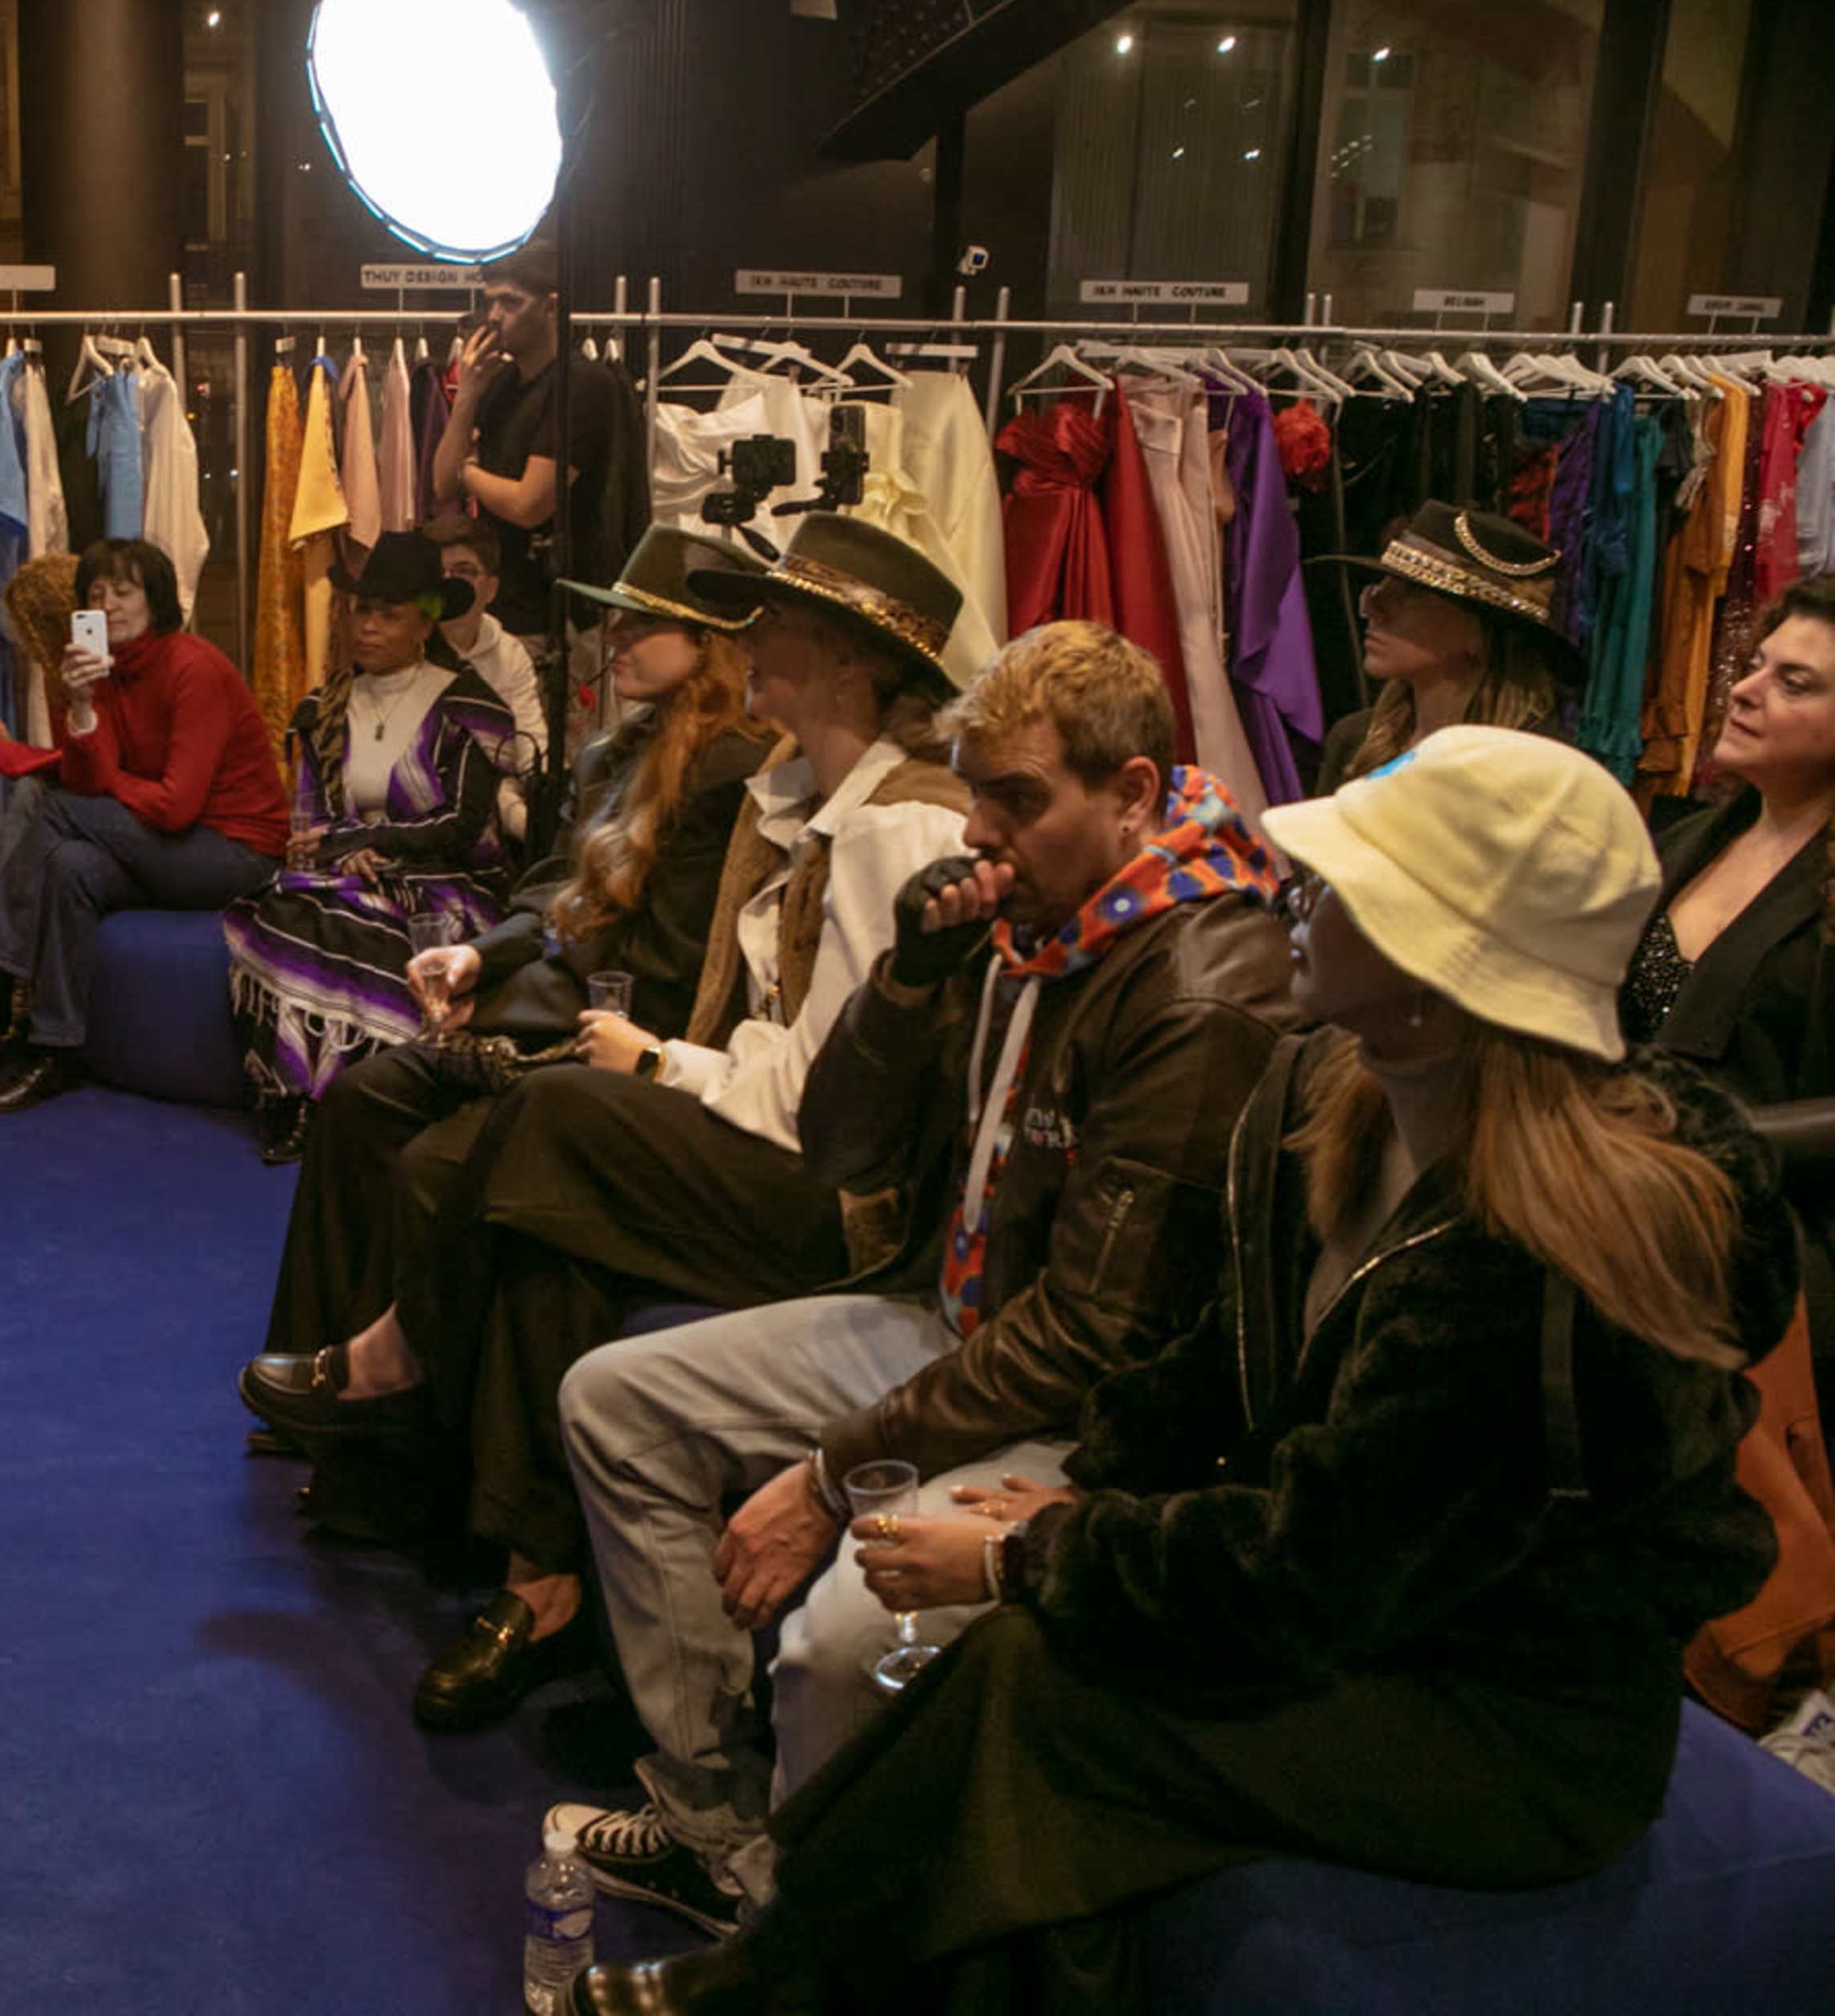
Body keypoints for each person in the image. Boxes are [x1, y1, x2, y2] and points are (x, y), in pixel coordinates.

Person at [564, 727, 1791, 2014]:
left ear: (1445, 980)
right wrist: (1089, 1488)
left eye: (1353, 886)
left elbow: (1322, 1574)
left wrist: (1034, 1553)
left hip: (1508, 1722)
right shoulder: (1336, 1089)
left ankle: (779, 1977)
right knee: (1020, 1692)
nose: (1296, 891)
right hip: (1377, 1613)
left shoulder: (1539, 1267)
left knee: (1036, 1688)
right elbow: (1220, 1355)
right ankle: (798, 1966)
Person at [541, 622, 1296, 1926]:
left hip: (1098, 1417)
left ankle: (814, 1947)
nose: (982, 832)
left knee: (844, 1636)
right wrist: (907, 978)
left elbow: (1095, 1339)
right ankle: (726, 1839)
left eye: (1019, 800)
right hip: (953, 1321)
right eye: (976, 793)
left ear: (1129, 794)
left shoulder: (1200, 983)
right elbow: (840, 1148)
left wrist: (830, 1477)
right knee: (615, 1400)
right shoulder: (1025, 923)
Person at [241, 520, 978, 1729]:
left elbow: (827, 1107)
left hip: (844, 1204)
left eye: (780, 620)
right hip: (751, 1120)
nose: (758, 637)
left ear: (851, 662)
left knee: (554, 1111)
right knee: (542, 1213)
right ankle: (539, 1586)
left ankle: (394, 1360)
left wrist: (660, 1063)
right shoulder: (801, 792)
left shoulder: (895, 823)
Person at [259, 528, 777, 1387]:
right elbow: (549, 886)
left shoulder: (725, 771)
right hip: (540, 986)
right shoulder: (618, 752)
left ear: (709, 643)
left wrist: (515, 978)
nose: (614, 640)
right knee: (355, 1102)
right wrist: (479, 956)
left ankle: (383, 1406)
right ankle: (331, 1382)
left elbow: (664, 957)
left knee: (426, 1153)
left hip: (606, 1025)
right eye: (617, 621)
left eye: (639, 625)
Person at [0, 537, 286, 1113]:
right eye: (96, 594)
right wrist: (80, 705)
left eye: (124, 592)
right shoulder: (96, 672)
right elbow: (87, 782)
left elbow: (176, 806)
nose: (109, 605)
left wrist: (105, 785)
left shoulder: (193, 667)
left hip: (234, 853)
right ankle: (56, 1049)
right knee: (72, 864)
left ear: (156, 602)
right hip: (167, 848)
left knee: (57, 812)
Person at [224, 529, 521, 1160]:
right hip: (346, 874)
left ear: (425, 623)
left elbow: (463, 826)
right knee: (288, 901)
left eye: (390, 614)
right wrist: (343, 851)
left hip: (450, 881)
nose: (369, 627)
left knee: (355, 914)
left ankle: (361, 1094)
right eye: (362, 610)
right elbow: (309, 830)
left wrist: (368, 843)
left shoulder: (469, 706)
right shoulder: (322, 707)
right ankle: (292, 1096)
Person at [1638, 574, 1835, 1416]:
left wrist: (1707, 1142)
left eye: (1794, 683)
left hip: (1770, 1268)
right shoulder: (1686, 843)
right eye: (1755, 667)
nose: (1746, 692)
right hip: (1630, 1227)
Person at [429, 246, 635, 656]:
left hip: (560, 616)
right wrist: (468, 394)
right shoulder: (501, 382)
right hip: (501, 606)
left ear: (549, 307)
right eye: (490, 302)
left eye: (511, 302)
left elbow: (529, 504)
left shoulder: (580, 384)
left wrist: (470, 474)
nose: (494, 316)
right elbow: (441, 483)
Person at [1305, 500, 1575, 795]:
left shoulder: (1541, 771)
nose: (1374, 607)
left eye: (1411, 593)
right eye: (1379, 587)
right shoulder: (1355, 741)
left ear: (1479, 634)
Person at [426, 513, 549, 836]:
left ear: (491, 588)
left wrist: (545, 789)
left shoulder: (509, 653)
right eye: (439, 573)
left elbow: (531, 740)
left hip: (497, 791)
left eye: (464, 572)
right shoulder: (407, 647)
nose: (450, 582)